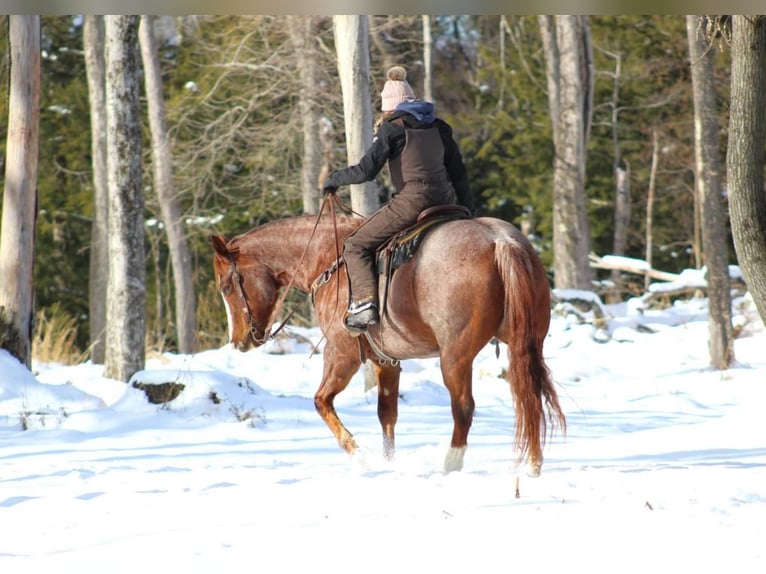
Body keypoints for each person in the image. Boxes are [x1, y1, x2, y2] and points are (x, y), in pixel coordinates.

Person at [322, 65, 473, 333]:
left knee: (355, 245)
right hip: (447, 202)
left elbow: (366, 171)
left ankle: (364, 304)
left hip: (413, 202)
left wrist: (334, 178)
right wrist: (467, 211)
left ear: (389, 107)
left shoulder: (392, 129)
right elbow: (459, 172)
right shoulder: (440, 126)